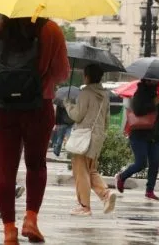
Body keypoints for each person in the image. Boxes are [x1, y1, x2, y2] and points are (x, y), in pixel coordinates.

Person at [0, 16, 69, 245]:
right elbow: (62, 73)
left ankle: (9, 231)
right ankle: (30, 220)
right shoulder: (51, 30)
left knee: (5, 168)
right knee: (36, 164)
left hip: (0, 104)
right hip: (38, 104)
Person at [64, 64, 116, 216]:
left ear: (87, 76)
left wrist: (68, 105)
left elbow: (77, 115)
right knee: (91, 170)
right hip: (98, 136)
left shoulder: (85, 93)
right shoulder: (105, 95)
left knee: (81, 171)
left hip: (84, 137)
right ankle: (106, 195)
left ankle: (84, 206)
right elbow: (106, 119)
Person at [115, 79, 159, 202]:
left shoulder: (156, 95)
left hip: (154, 135)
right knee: (141, 163)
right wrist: (153, 103)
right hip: (139, 134)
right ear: (147, 81)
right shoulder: (139, 94)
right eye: (153, 80)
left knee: (154, 164)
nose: (155, 82)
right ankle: (122, 177)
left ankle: (150, 191)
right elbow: (138, 110)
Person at [52, 93, 75, 157]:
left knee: (60, 138)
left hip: (61, 123)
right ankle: (68, 152)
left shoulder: (59, 103)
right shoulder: (72, 102)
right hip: (70, 122)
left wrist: (56, 123)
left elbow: (57, 114)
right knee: (69, 137)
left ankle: (57, 152)